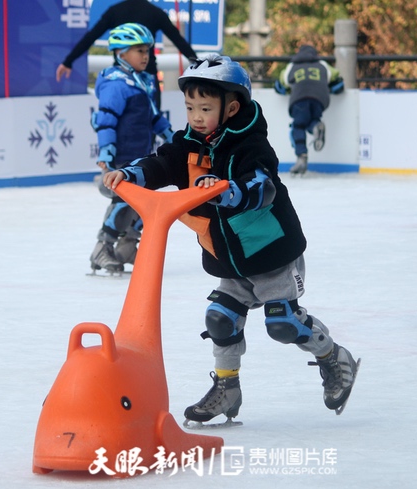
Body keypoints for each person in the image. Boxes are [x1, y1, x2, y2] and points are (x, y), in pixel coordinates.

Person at [103, 54, 359, 422]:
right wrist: (129, 175)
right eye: (190, 107)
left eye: (205, 108)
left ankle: (334, 357)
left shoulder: (250, 145)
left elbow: (261, 185)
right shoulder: (189, 142)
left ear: (231, 107)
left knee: (282, 324)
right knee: (220, 319)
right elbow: (161, 163)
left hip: (271, 254)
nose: (195, 117)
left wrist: (228, 191)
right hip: (230, 258)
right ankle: (227, 388)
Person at [89, 23, 175, 274]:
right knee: (123, 201)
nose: (146, 56)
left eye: (148, 50)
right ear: (121, 53)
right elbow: (105, 120)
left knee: (142, 204)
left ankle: (126, 247)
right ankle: (102, 248)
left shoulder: (142, 81)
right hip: (123, 156)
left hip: (141, 155)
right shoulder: (116, 84)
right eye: (139, 50)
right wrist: (106, 151)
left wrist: (174, 139)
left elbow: (155, 118)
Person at [55, 0, 198, 109]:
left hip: (120, 78)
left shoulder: (115, 11)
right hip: (148, 77)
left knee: (118, 125)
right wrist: (198, 65)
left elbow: (90, 37)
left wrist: (68, 61)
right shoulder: (155, 12)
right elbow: (179, 42)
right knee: (150, 128)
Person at [274, 44, 344, 175]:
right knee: (311, 120)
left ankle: (301, 158)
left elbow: (280, 84)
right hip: (320, 99)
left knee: (298, 126)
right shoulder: (322, 64)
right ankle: (316, 126)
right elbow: (336, 77)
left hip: (299, 98)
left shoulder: (291, 66)